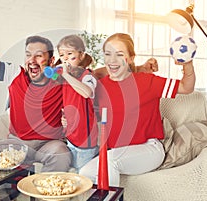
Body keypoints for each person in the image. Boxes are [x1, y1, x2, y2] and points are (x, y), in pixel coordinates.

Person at [0, 5, 71, 172]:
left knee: (61, 153)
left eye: (38, 55)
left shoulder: (62, 79)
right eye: (28, 54)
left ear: (51, 60)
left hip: (48, 144)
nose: (32, 60)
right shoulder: (14, 73)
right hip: (16, 144)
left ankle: (46, 195)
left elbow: (92, 77)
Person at [79, 33, 195, 187]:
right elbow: (92, 76)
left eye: (119, 54)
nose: (112, 60)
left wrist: (187, 63)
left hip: (149, 150)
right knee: (84, 173)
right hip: (117, 151)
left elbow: (186, 87)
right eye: (108, 54)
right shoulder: (100, 86)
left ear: (131, 58)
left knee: (109, 162)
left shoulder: (147, 81)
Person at [56, 35, 99, 171]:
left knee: (84, 176)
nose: (66, 59)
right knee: (72, 173)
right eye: (62, 55)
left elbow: (86, 93)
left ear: (81, 55)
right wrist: (64, 118)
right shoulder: (65, 80)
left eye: (70, 54)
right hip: (71, 136)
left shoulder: (88, 76)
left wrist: (66, 75)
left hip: (85, 140)